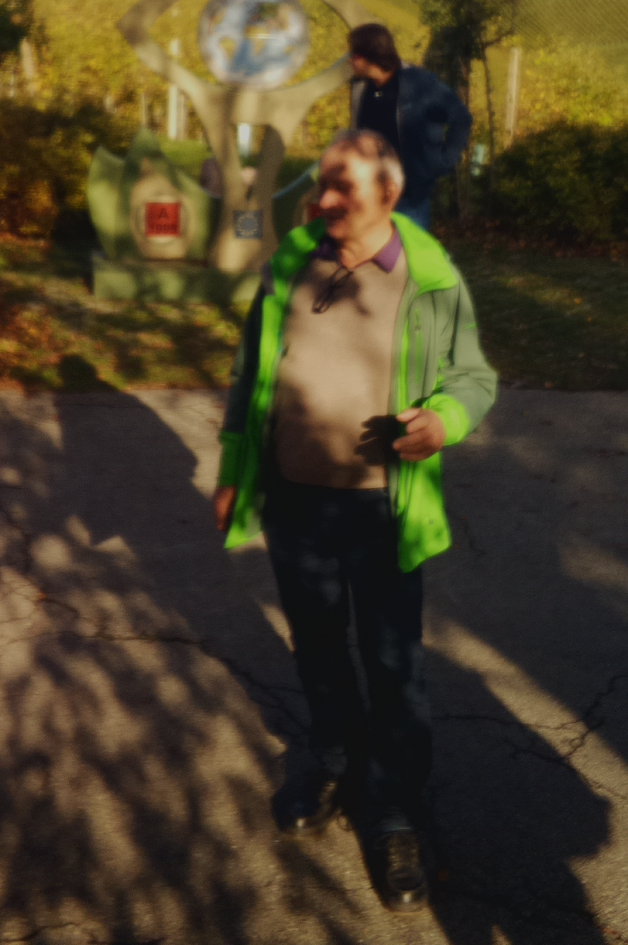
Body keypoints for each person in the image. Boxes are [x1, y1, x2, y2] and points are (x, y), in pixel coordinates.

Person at [212, 128, 497, 912]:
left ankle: (395, 808)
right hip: (294, 498)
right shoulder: (292, 261)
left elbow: (475, 378)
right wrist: (234, 467)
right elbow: (249, 371)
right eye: (323, 182)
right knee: (317, 642)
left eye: (343, 185)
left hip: (383, 508)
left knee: (392, 660)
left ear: (388, 194)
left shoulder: (430, 278)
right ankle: (335, 759)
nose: (325, 197)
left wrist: (444, 420)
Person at [345, 23, 473, 231]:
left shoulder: (420, 84)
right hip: (369, 192)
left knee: (408, 249)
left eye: (354, 55)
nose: (349, 60)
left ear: (372, 55)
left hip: (409, 197)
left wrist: (444, 162)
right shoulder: (360, 86)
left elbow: (461, 119)